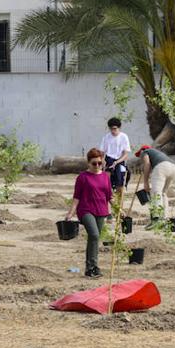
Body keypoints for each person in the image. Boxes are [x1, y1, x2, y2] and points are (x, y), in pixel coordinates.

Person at [64, 148, 113, 278]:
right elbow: (76, 198)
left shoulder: (105, 177)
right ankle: (91, 266)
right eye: (94, 163)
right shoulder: (82, 177)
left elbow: (109, 196)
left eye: (99, 163)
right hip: (86, 210)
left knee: (94, 239)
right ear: (88, 163)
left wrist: (119, 209)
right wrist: (71, 213)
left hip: (101, 210)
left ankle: (92, 268)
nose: (97, 166)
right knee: (94, 235)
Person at [136, 144, 175, 222]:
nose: (140, 158)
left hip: (162, 167)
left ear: (142, 150)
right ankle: (165, 217)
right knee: (163, 193)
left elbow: (147, 164)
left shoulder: (145, 152)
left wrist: (145, 182)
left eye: (140, 156)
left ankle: (157, 219)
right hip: (174, 168)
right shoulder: (158, 153)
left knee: (156, 193)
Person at [100, 117, 132, 199]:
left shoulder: (124, 137)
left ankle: (119, 206)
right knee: (106, 182)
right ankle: (108, 203)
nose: (113, 131)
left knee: (120, 183)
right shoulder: (106, 137)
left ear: (119, 128)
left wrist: (117, 162)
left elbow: (126, 153)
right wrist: (103, 161)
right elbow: (102, 152)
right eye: (111, 129)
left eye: (114, 129)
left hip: (120, 160)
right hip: (109, 160)